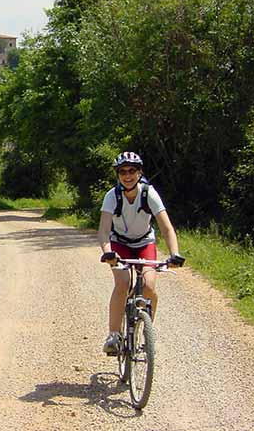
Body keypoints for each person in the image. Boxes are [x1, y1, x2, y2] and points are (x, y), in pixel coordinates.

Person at [97, 151, 186, 355]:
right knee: (122, 283)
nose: (127, 176)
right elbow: (103, 230)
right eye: (122, 172)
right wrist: (108, 252)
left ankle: (148, 331)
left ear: (140, 172)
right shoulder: (112, 196)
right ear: (118, 174)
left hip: (145, 242)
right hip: (119, 244)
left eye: (132, 171)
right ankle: (114, 335)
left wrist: (175, 254)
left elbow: (166, 228)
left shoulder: (149, 193)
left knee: (148, 286)